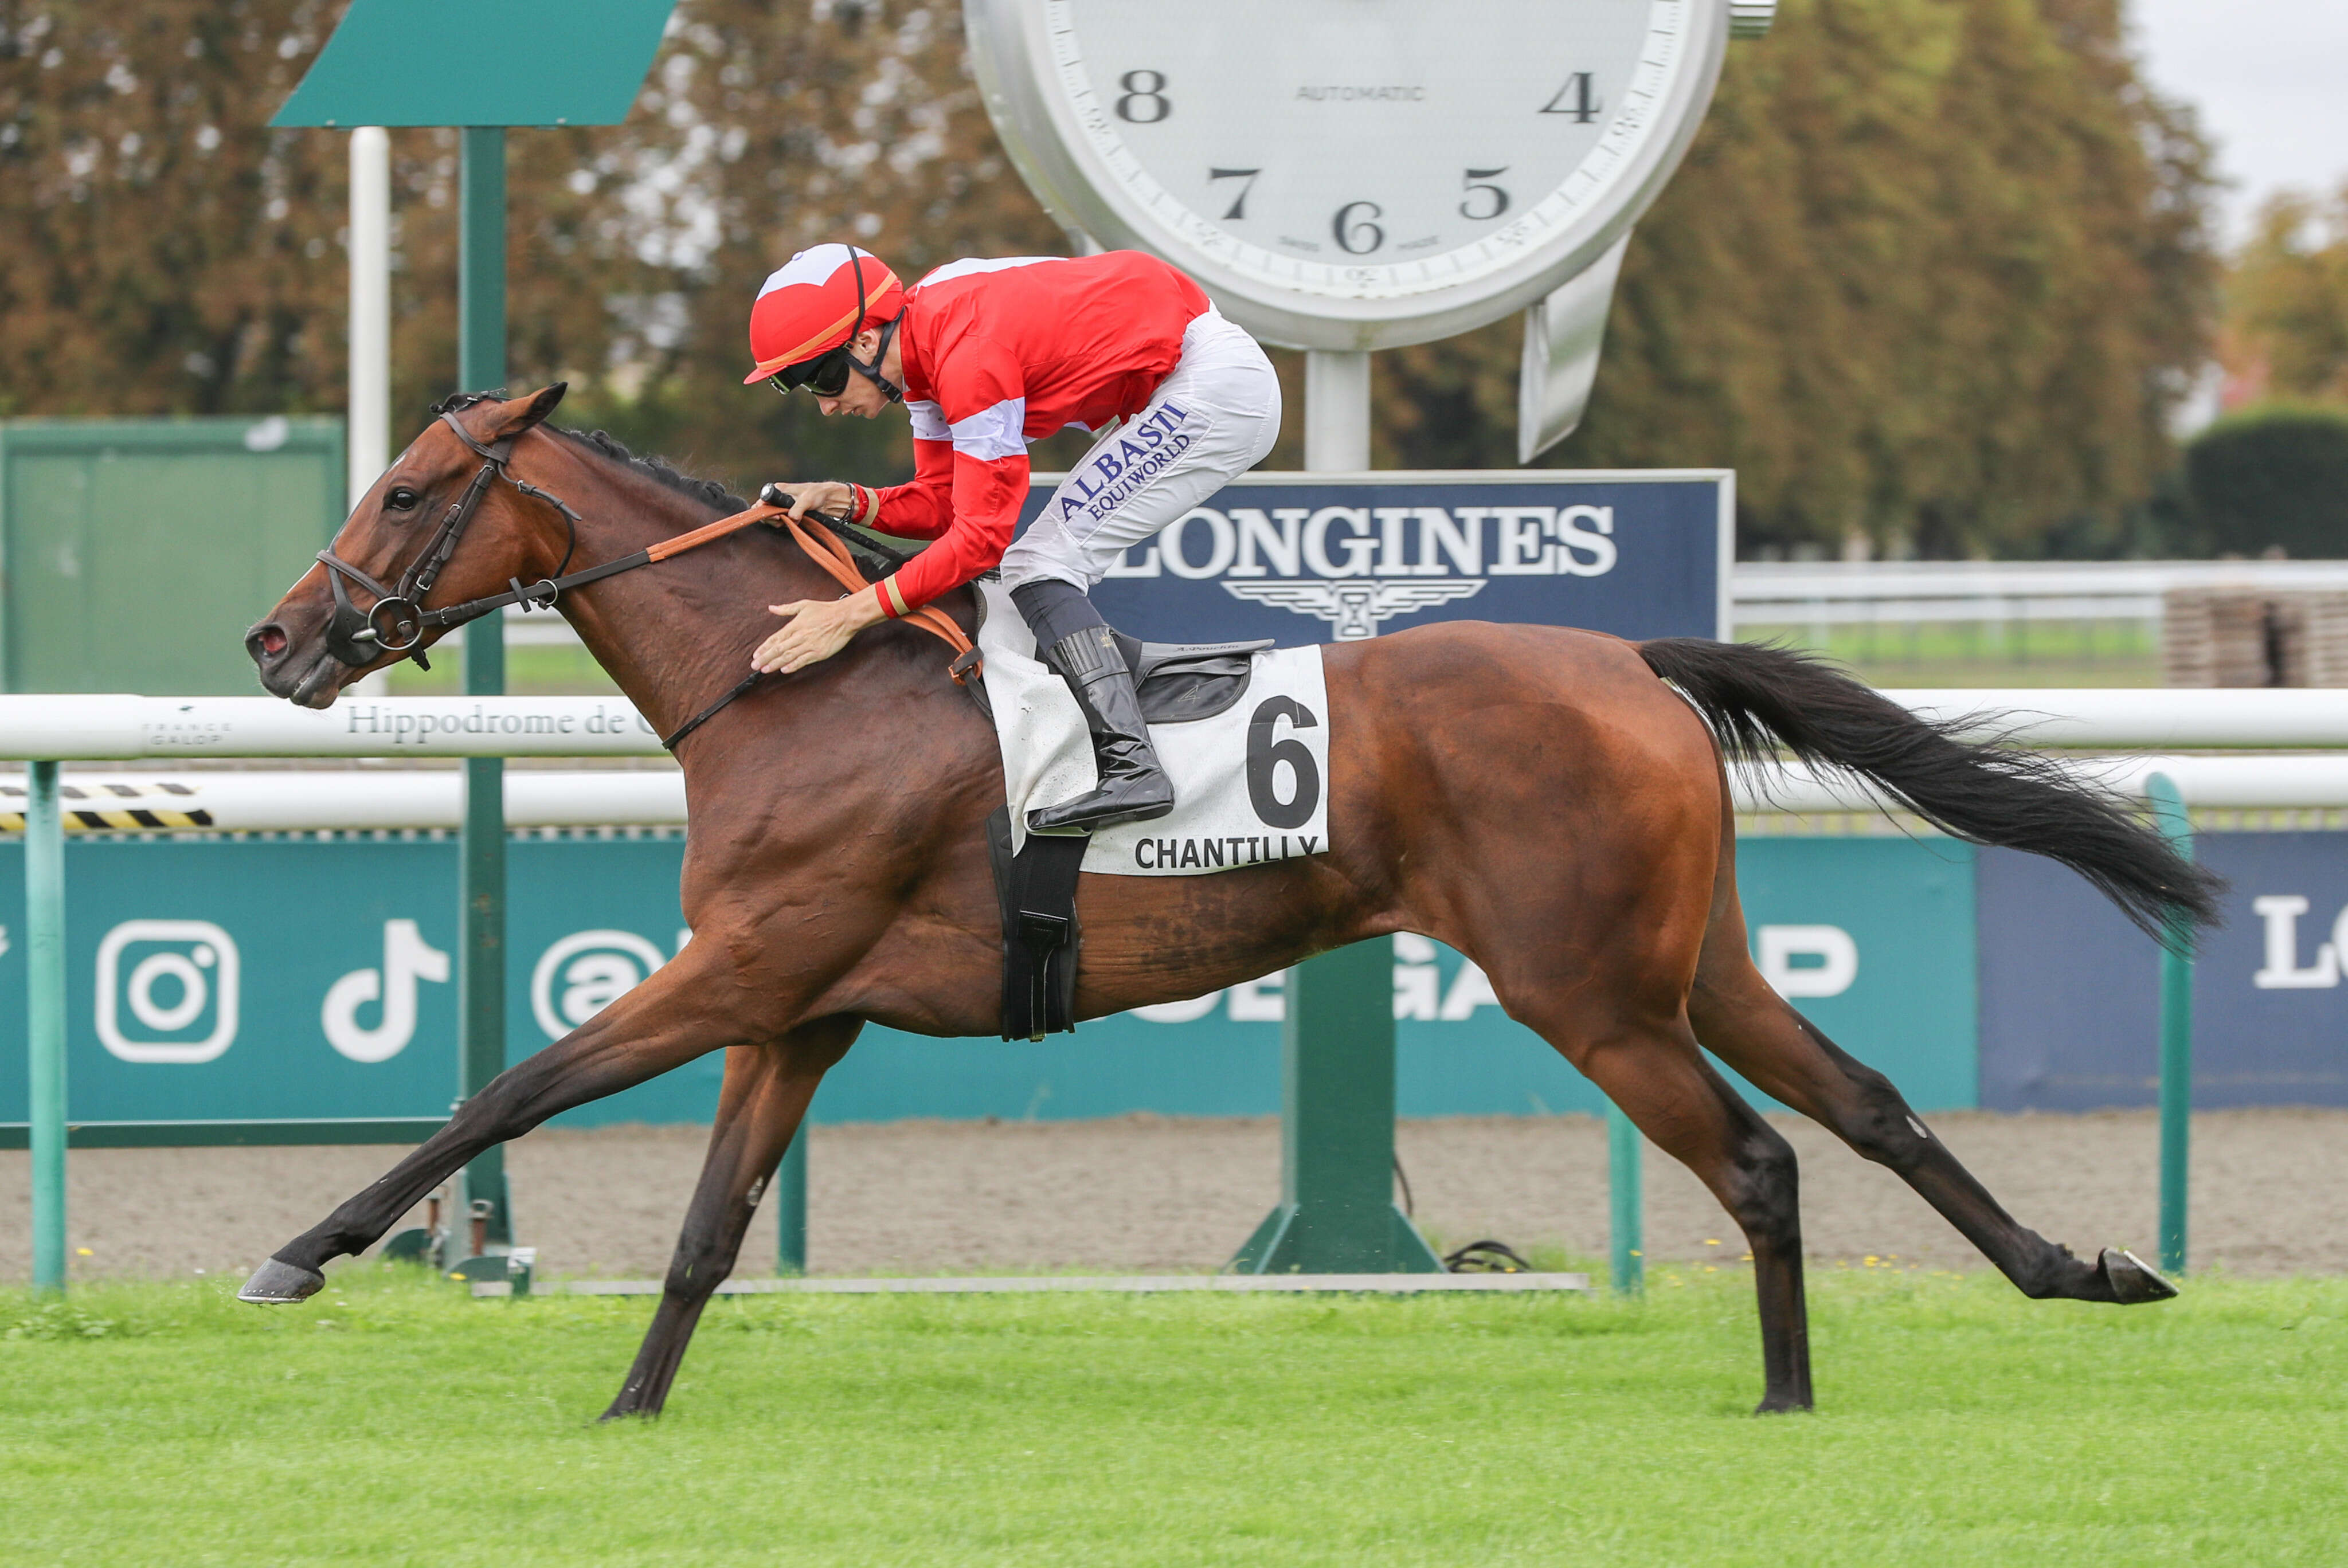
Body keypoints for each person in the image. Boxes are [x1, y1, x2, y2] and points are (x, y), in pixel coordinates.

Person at [744, 243, 1281, 833]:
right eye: (801, 388)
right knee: (1036, 562)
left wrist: (849, 616)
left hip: (1210, 387)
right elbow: (942, 506)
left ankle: (1132, 767)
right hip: (1181, 376)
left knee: (1039, 562)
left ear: (866, 342)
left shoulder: (967, 359)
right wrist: (838, 497)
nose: (824, 406)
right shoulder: (924, 350)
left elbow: (980, 541)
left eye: (820, 377)